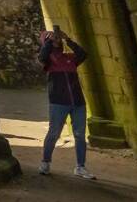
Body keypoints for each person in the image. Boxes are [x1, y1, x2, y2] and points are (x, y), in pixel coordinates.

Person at [38, 25, 95, 180]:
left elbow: (83, 54)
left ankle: (80, 167)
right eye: (52, 38)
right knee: (54, 133)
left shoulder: (70, 58)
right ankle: (45, 162)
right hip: (58, 102)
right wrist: (49, 42)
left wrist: (67, 39)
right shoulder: (48, 61)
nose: (56, 40)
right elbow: (42, 57)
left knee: (79, 135)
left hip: (77, 102)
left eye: (56, 38)